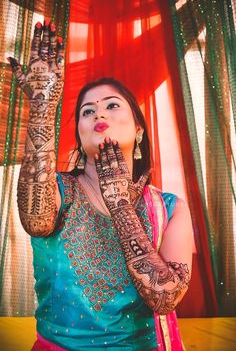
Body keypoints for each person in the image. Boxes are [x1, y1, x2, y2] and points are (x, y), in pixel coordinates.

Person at [8, 20, 193, 351]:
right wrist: (43, 102)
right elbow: (36, 221)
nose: (97, 114)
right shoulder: (57, 189)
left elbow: (166, 298)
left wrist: (120, 205)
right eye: (86, 111)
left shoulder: (170, 207)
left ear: (138, 130)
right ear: (79, 132)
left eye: (111, 105)